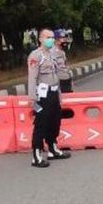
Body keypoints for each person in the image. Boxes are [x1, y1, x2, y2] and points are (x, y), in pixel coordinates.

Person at [27, 28, 70, 168]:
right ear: (40, 39)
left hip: (53, 93)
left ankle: (52, 148)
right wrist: (32, 98)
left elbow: (57, 76)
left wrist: (59, 95)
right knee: (41, 124)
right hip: (41, 96)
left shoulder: (53, 55)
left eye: (52, 37)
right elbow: (32, 78)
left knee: (55, 121)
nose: (51, 39)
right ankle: (37, 155)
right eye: (48, 37)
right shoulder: (35, 56)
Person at [53, 29, 73, 93]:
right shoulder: (52, 52)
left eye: (65, 38)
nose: (65, 40)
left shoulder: (62, 52)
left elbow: (65, 66)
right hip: (59, 83)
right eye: (62, 38)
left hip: (66, 80)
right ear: (56, 39)